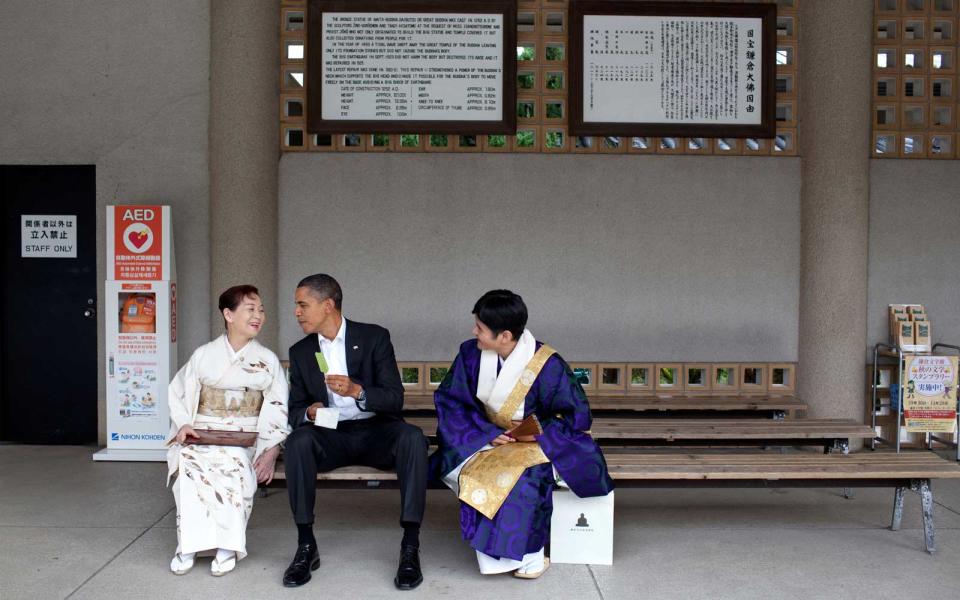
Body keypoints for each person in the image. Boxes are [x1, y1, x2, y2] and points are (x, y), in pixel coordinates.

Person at [431, 290, 614, 578]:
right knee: (479, 475)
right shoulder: (469, 354)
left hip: (535, 443)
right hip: (485, 439)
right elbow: (451, 401)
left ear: (504, 336)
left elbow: (576, 415)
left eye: (480, 328)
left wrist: (538, 433)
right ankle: (503, 557)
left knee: (525, 480)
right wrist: (486, 432)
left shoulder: (547, 363)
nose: (473, 332)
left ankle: (530, 556)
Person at [282, 274, 428, 589]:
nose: (296, 312)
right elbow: (294, 409)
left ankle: (410, 545)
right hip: (331, 433)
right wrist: (309, 411)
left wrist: (357, 391)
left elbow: (394, 397)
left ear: (328, 305)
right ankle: (306, 544)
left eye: (302, 305)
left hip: (376, 430)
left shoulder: (374, 337)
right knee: (298, 441)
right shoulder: (301, 351)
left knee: (413, 438)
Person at [165, 285, 290, 576]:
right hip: (203, 432)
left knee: (234, 469)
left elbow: (276, 405)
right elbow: (178, 392)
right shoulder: (204, 354)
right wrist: (184, 423)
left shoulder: (267, 360)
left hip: (246, 437)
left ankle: (227, 545)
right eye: (250, 309)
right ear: (228, 314)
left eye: (261, 309)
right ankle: (188, 545)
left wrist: (271, 448)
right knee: (189, 465)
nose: (258, 315)